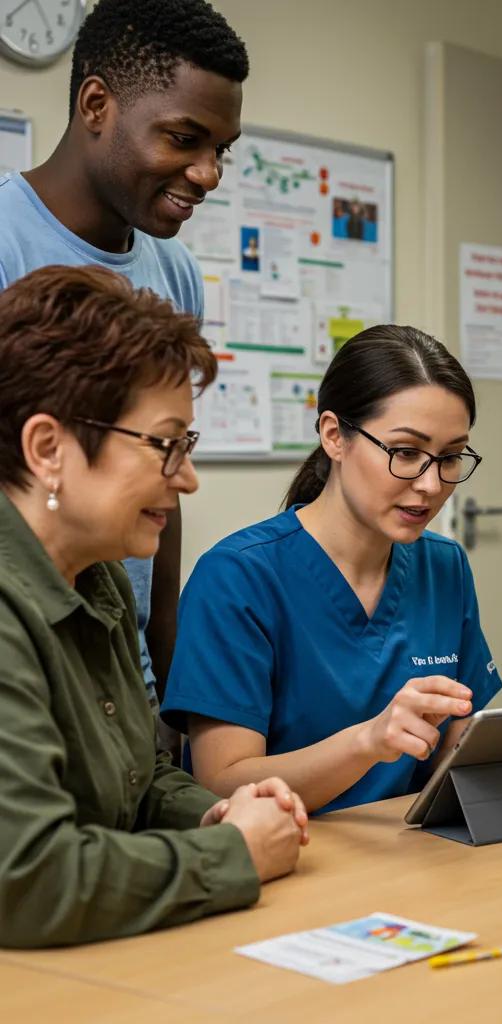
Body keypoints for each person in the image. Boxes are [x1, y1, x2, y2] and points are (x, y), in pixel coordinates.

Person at [162, 327, 502, 814]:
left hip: (409, 854)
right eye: (406, 453)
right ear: (334, 436)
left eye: (451, 457)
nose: (431, 484)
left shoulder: (444, 566)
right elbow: (221, 785)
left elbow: (456, 757)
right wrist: (367, 741)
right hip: (286, 856)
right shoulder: (236, 578)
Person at [0, 266, 306, 948]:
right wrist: (235, 855)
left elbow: (136, 781)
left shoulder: (95, 574)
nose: (188, 478)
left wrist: (217, 814)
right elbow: (27, 880)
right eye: (166, 445)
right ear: (48, 449)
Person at [0, 0, 249, 714]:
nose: (207, 174)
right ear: (97, 104)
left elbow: (160, 482)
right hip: (27, 664)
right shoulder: (6, 246)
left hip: (123, 666)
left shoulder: (174, 274)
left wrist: (167, 678)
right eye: (183, 138)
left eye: (220, 150)